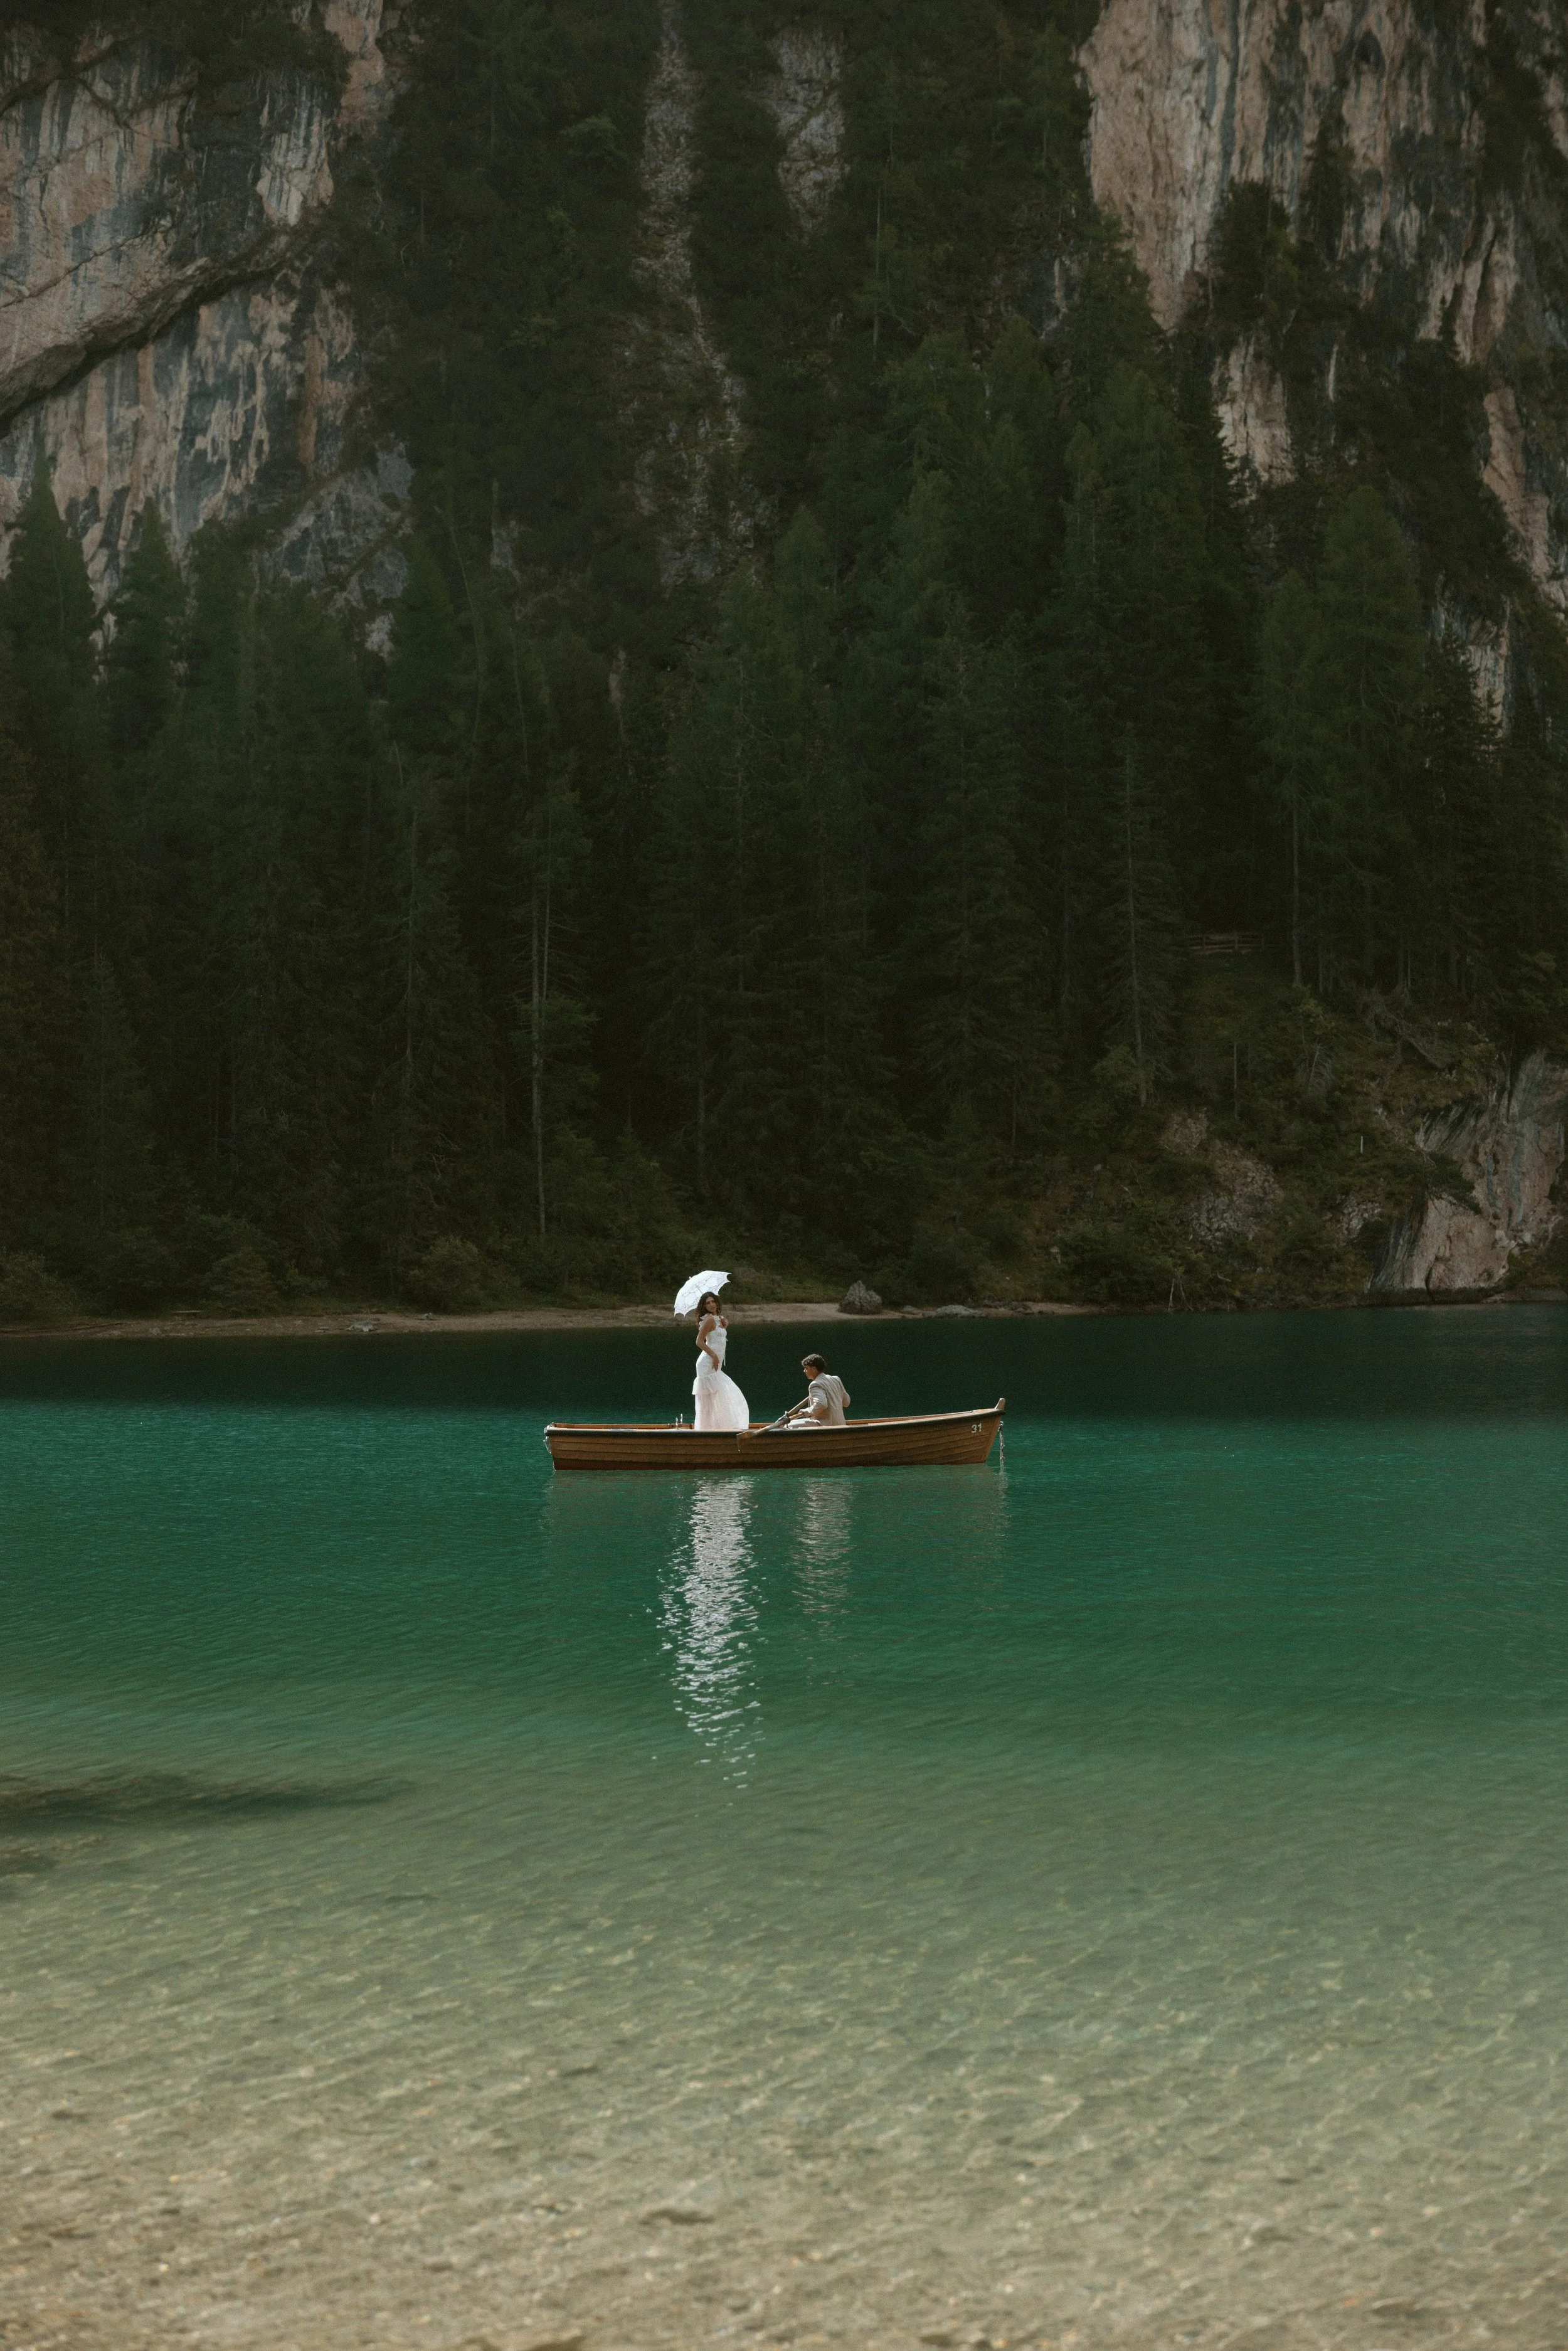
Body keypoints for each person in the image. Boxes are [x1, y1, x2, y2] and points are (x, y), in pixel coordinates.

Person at [692, 1292, 750, 1431]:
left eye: (713, 1301)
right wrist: (714, 1356)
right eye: (707, 1303)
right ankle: (707, 1429)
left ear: (717, 1302)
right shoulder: (709, 1320)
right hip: (708, 1363)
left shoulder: (718, 1319)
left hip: (715, 1364)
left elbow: (718, 1338)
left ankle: (716, 1427)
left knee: (719, 1396)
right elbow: (699, 1342)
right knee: (716, 1397)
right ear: (704, 1306)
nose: (711, 1304)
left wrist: (724, 1326)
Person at [784, 1352, 850, 1429]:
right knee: (790, 1423)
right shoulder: (836, 1379)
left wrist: (806, 1411)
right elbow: (847, 1402)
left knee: (787, 1426)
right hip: (840, 1423)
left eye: (806, 1368)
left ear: (814, 1369)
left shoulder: (815, 1384)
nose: (804, 1371)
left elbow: (821, 1405)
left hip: (826, 1425)